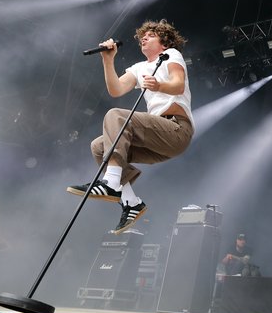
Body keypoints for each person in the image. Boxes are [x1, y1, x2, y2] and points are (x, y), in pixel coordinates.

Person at [67, 19, 194, 234]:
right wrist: (108, 60)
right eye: (142, 36)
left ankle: (111, 183)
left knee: (116, 115)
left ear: (164, 42)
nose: (144, 37)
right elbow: (116, 90)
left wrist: (159, 85)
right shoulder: (139, 68)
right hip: (155, 139)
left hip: (175, 129)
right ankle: (130, 201)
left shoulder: (171, 55)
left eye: (151, 35)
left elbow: (178, 83)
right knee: (99, 146)